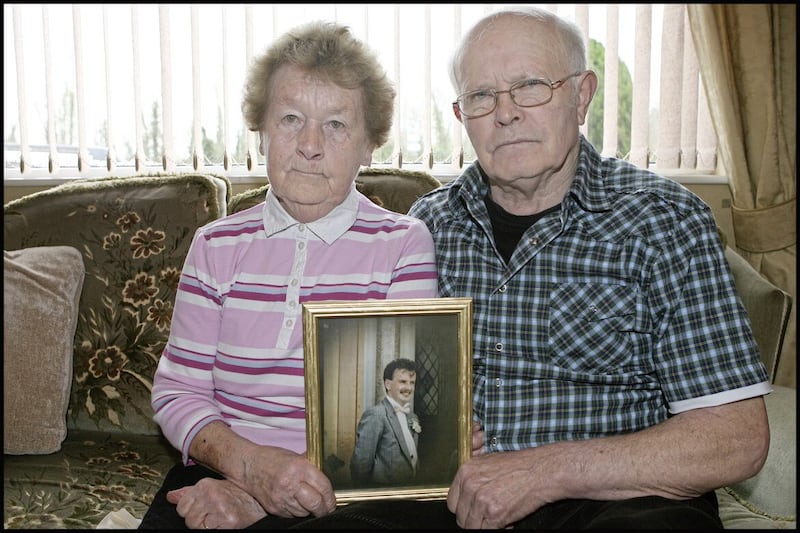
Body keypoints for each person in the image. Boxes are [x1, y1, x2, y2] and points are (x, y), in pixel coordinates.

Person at [406, 6, 772, 530]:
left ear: (581, 97)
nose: (505, 113)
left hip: (617, 503)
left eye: (530, 85)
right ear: (463, 117)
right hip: (455, 498)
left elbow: (735, 438)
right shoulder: (426, 225)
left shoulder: (664, 221)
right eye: (481, 96)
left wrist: (544, 472)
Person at [139, 20, 439, 530]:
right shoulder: (215, 246)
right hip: (223, 471)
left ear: (370, 145)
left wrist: (268, 497)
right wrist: (251, 471)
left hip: (349, 494)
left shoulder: (403, 246)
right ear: (261, 131)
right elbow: (177, 393)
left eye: (337, 125)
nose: (310, 145)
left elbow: (397, 408)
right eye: (291, 118)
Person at [350, 358, 422, 487]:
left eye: (412, 382)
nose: (409, 387)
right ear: (388, 384)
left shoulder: (412, 417)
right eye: (403, 382)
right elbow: (360, 466)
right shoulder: (376, 415)